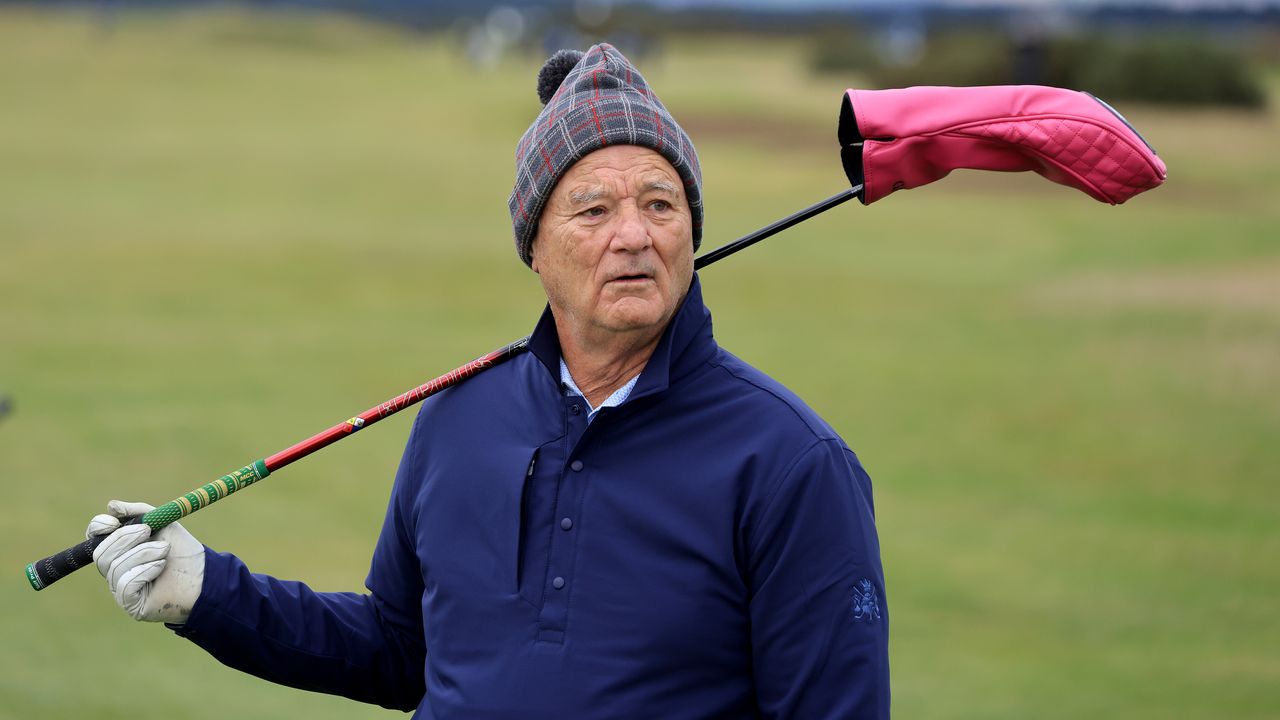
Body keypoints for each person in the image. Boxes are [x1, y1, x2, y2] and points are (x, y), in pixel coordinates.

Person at [87, 44, 890, 719]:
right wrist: (210, 594)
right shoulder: (459, 417)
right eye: (592, 210)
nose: (634, 235)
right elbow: (403, 654)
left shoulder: (792, 462)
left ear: (691, 231)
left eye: (660, 203)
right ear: (535, 248)